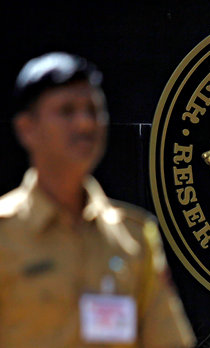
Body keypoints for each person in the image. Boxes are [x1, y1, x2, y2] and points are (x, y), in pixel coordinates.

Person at [0, 52, 196, 347]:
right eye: (66, 111)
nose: (85, 124)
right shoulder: (5, 233)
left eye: (93, 110)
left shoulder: (135, 238)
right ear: (27, 129)